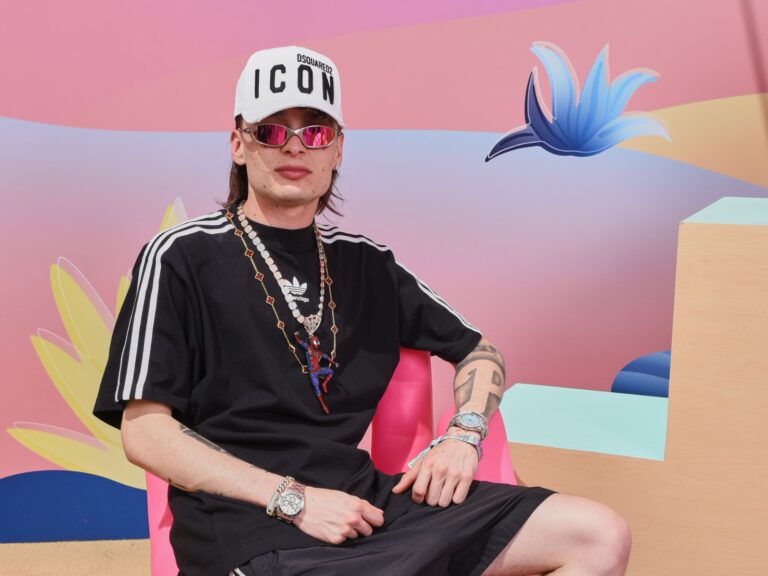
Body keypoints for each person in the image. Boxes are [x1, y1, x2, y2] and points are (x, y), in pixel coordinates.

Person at [94, 46, 631, 576]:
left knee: (597, 536)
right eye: (272, 131)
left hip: (368, 509)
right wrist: (294, 500)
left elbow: (479, 351)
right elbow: (145, 433)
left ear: (338, 150)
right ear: (239, 143)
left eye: (316, 132)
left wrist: (463, 436)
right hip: (247, 525)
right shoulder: (181, 256)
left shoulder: (368, 264)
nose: (295, 146)